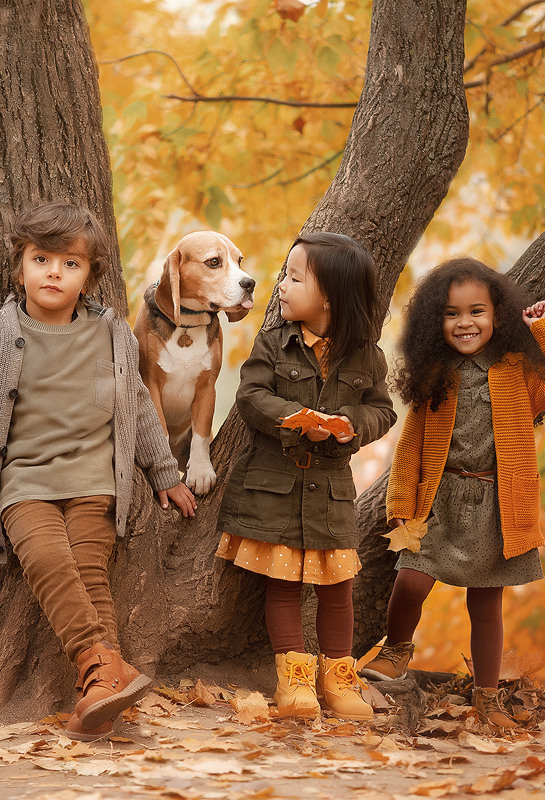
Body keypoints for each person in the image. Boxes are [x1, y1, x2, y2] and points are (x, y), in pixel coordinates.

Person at [0, 201, 197, 741]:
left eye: (70, 263)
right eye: (41, 259)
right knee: (45, 558)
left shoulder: (108, 332)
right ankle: (101, 666)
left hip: (93, 480)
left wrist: (164, 473)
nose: (54, 272)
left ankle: (96, 690)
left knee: (89, 571)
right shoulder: (5, 327)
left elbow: (135, 400)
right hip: (25, 481)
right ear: (21, 269)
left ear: (90, 276)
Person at [362, 257, 545, 728]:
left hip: (496, 506)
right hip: (438, 502)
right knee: (411, 579)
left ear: (497, 316)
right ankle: (397, 649)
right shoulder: (434, 376)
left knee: (486, 603)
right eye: (451, 314)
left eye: (476, 311)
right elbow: (411, 448)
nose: (465, 323)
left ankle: (486, 701)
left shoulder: (516, 374)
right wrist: (401, 506)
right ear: (434, 322)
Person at [215, 232, 396, 720]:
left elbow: (382, 410)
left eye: (294, 279)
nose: (280, 287)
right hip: (274, 491)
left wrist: (349, 426)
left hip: (330, 498)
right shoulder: (273, 344)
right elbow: (250, 397)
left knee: (338, 590)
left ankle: (339, 679)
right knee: (283, 585)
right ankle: (293, 681)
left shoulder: (366, 357)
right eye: (283, 276)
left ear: (330, 298)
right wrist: (295, 416)